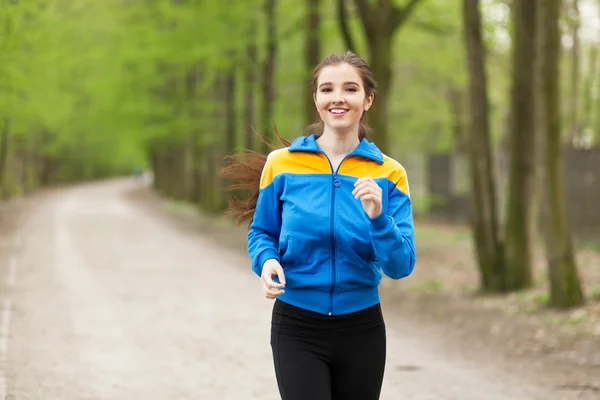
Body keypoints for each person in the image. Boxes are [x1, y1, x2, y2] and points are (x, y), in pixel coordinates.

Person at [223, 51, 416, 400]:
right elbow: (262, 231)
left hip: (362, 327)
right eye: (327, 89)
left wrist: (379, 218)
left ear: (367, 99)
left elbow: (401, 265)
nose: (338, 97)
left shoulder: (390, 174)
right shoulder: (281, 165)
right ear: (316, 99)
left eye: (350, 89)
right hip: (297, 325)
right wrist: (266, 261)